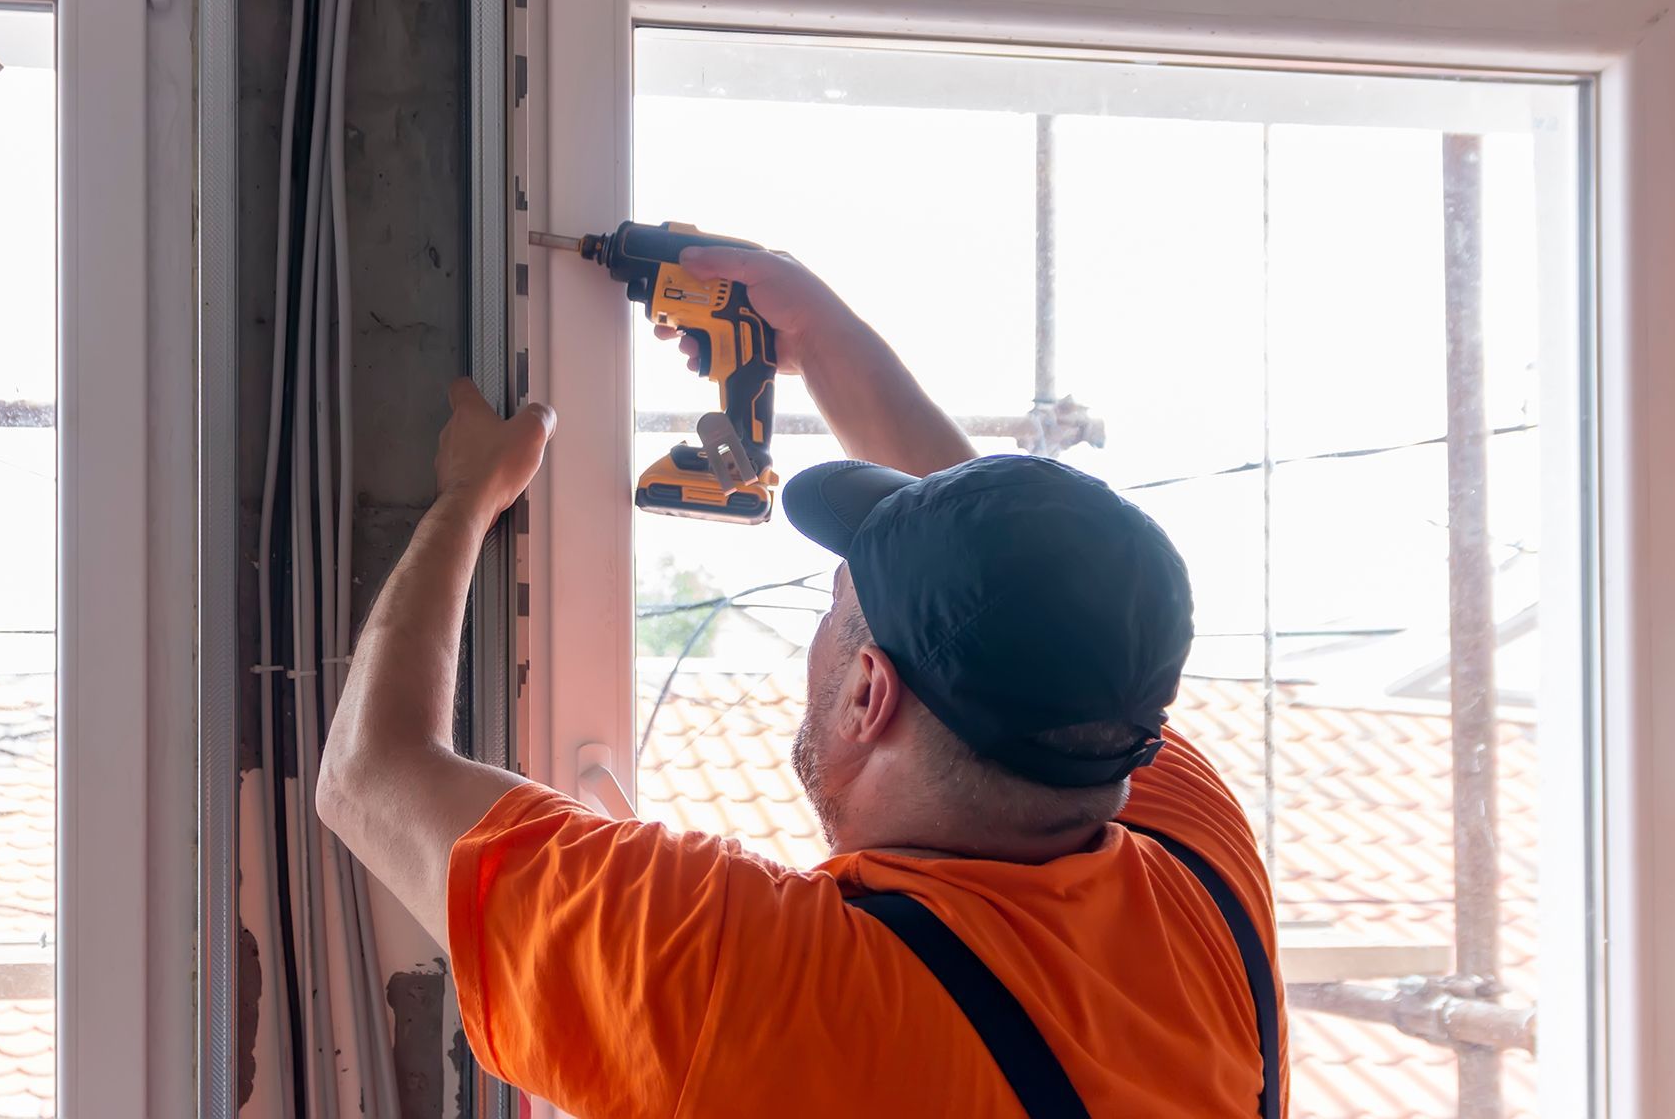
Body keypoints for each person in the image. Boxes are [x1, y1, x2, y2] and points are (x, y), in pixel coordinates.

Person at [317, 246, 1288, 1118]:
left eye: (832, 605)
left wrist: (468, 496)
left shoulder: (757, 985)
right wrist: (819, 333)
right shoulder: (1198, 864)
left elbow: (370, 773)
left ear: (870, 693)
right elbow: (1027, 579)